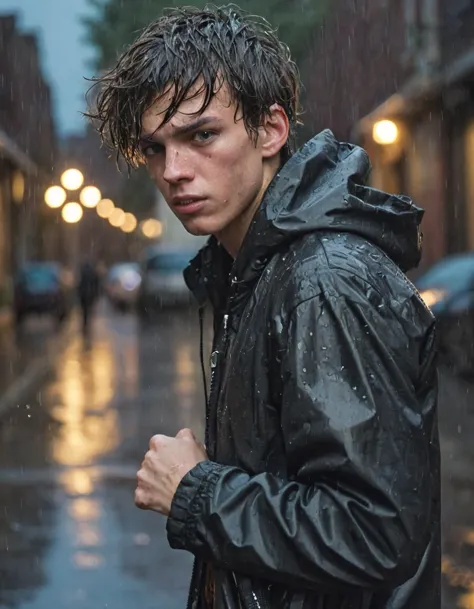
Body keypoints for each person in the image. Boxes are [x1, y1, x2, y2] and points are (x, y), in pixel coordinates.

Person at [89, 5, 440, 608]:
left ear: (271, 130)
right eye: (156, 148)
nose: (174, 171)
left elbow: (375, 533)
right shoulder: (253, 271)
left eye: (202, 135)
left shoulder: (322, 281)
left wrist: (197, 492)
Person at [77, 260, 101, 336]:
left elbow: (79, 285)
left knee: (84, 312)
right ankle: (88, 325)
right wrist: (96, 295)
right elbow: (96, 285)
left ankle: (85, 325)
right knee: (90, 311)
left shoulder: (83, 274)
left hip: (83, 295)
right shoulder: (94, 274)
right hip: (91, 295)